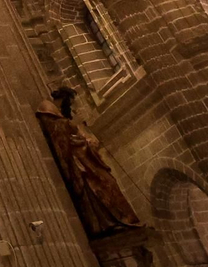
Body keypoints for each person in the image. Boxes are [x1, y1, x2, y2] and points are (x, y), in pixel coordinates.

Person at [34, 87, 143, 239]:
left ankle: (123, 219)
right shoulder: (47, 109)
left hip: (83, 158)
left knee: (109, 182)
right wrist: (77, 129)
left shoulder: (57, 113)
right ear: (63, 98)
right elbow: (60, 135)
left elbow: (71, 133)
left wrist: (86, 140)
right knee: (101, 184)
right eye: (69, 102)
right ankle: (107, 223)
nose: (69, 106)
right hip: (78, 163)